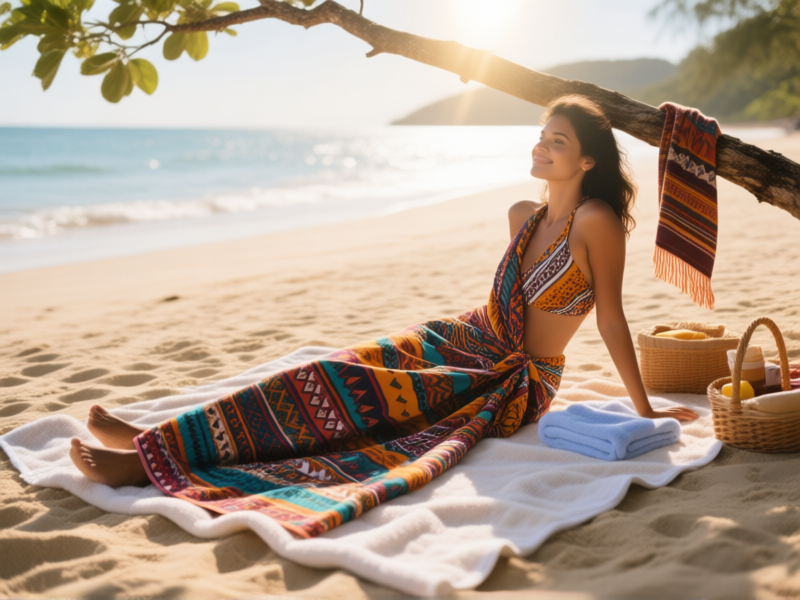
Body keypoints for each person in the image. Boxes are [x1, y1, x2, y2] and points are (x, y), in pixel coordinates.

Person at [69, 95, 698, 538]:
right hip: (466, 338)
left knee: (355, 409)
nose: (542, 146)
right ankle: (166, 440)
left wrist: (644, 409)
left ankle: (151, 464)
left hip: (514, 379)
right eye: (541, 134)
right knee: (335, 368)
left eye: (557, 141)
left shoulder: (597, 222)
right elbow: (499, 305)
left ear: (587, 160)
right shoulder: (520, 215)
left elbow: (612, 318)